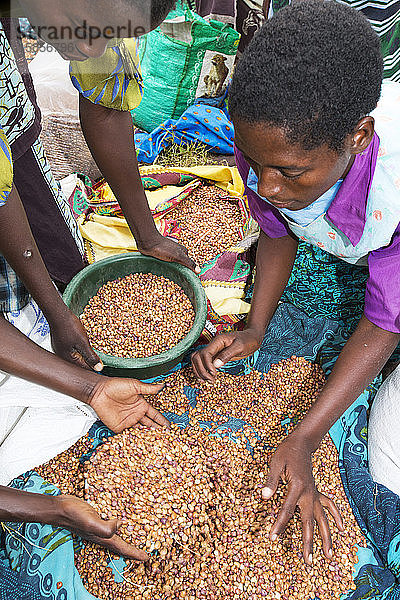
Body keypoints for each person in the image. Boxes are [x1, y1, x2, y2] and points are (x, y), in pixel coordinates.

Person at [192, 0, 400, 564]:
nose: (269, 184)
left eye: (290, 172)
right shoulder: (267, 144)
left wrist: (306, 435)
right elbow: (276, 226)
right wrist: (257, 326)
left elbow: (386, 318)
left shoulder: (394, 192)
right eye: (258, 165)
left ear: (358, 137)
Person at [0, 0, 181, 563]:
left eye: (115, 32)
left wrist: (146, 237)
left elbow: (104, 102)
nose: (93, 44)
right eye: (94, 26)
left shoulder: (99, 16)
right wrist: (50, 507)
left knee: (50, 254)